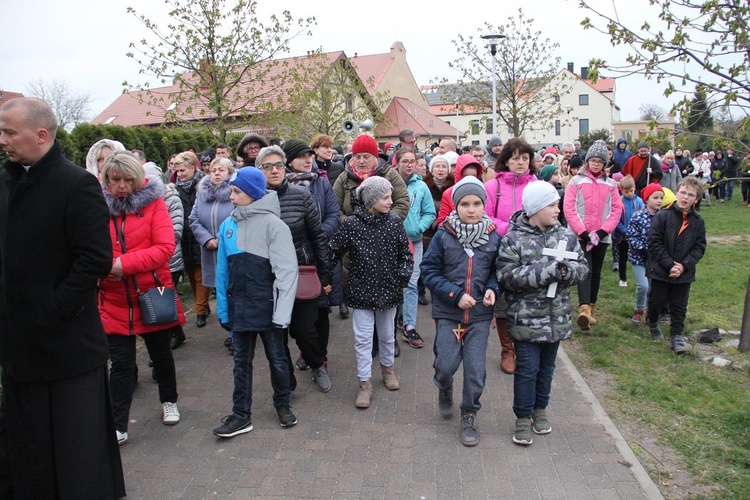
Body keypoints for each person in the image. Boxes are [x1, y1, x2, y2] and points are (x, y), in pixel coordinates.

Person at [0, 97, 125, 499]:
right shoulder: (6, 182)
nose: (1, 140)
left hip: (65, 346)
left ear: (40, 135)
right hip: (19, 347)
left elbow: (94, 259)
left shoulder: (76, 184)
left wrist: (52, 311)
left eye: (8, 132)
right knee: (29, 452)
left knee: (76, 457)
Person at [98, 151, 186, 447]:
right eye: (115, 180)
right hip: (113, 299)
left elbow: (164, 247)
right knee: (121, 364)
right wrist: (103, 270)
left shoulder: (154, 204)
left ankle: (169, 400)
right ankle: (118, 423)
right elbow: (88, 248)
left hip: (151, 295)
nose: (121, 185)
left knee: (160, 354)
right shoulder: (97, 208)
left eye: (127, 179)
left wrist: (120, 265)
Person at [496, 181, 588, 446]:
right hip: (526, 319)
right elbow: (506, 276)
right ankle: (522, 418)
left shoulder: (566, 237)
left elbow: (581, 267)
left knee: (547, 369)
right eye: (552, 205)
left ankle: (540, 410)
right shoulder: (514, 239)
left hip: (555, 318)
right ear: (535, 208)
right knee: (527, 369)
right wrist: (546, 273)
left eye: (558, 204)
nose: (558, 210)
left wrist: (568, 272)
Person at [214, 167, 299, 436]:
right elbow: (222, 273)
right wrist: (224, 311)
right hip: (240, 308)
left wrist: (281, 315)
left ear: (252, 193)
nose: (231, 194)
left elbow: (286, 273)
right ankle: (241, 415)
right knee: (241, 362)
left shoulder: (274, 225)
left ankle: (283, 403)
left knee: (277, 358)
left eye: (237, 191)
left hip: (268, 308)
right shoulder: (228, 225)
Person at [420, 176, 501, 447]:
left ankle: (469, 413)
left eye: (477, 203)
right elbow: (428, 272)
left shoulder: (492, 236)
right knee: (445, 364)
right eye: (465, 203)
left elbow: (495, 273)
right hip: (449, 313)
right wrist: (455, 295)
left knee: (476, 370)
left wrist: (492, 290)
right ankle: (444, 386)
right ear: (456, 206)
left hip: (479, 316)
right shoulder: (444, 235)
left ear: (483, 205)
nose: (471, 209)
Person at [329, 176, 413, 409]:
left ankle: (388, 370)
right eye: (385, 197)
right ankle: (364, 383)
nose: (390, 201)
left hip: (389, 290)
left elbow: (405, 254)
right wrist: (330, 278)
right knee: (363, 339)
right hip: (361, 292)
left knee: (387, 335)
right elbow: (333, 250)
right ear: (371, 200)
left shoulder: (394, 223)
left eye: (390, 196)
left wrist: (402, 276)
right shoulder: (352, 225)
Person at [260, 145, 333, 394]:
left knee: (304, 329)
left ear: (285, 167)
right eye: (267, 166)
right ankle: (286, 383)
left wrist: (324, 273)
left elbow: (318, 237)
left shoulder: (301, 196)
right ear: (259, 170)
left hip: (302, 272)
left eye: (278, 165)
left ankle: (317, 363)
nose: (274, 170)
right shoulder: (253, 199)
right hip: (268, 277)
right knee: (277, 334)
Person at [281, 139, 341, 372]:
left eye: (309, 155)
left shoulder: (321, 183)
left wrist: (317, 235)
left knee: (321, 309)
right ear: (288, 160)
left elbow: (333, 214)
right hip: (293, 256)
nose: (308, 160)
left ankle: (320, 356)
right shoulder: (279, 188)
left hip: (320, 252)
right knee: (299, 314)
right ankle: (308, 349)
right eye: (301, 156)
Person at [484, 138, 537, 374]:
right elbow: (484, 219)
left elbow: (546, 215)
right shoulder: (492, 187)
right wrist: (510, 227)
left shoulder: (537, 186)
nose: (521, 162)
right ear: (505, 160)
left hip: (530, 252)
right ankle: (507, 349)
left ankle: (523, 347)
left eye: (525, 158)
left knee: (527, 299)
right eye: (515, 158)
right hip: (502, 251)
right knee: (504, 301)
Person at [563, 140, 622, 331]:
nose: (596, 164)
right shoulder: (576, 181)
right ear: (587, 161)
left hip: (602, 235)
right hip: (581, 235)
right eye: (593, 160)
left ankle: (592, 307)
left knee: (596, 271)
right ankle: (584, 308)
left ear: (605, 164)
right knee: (584, 270)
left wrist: (604, 231)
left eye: (600, 161)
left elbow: (615, 210)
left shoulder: (611, 184)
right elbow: (569, 208)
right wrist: (583, 232)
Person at [646, 177, 707, 353]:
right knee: (656, 301)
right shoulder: (663, 216)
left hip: (684, 273)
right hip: (660, 270)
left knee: (679, 305)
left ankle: (677, 335)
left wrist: (684, 265)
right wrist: (669, 264)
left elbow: (699, 246)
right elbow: (654, 242)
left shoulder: (698, 222)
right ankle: (653, 321)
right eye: (682, 192)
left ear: (696, 199)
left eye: (690, 195)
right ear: (676, 193)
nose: (685, 197)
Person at [189, 157, 236, 350]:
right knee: (220, 291)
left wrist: (223, 239)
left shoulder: (236, 192)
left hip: (232, 250)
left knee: (233, 289)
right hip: (210, 253)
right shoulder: (202, 194)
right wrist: (207, 239)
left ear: (230, 173)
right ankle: (229, 323)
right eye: (214, 170)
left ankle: (235, 332)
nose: (216, 173)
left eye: (221, 170)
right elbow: (193, 219)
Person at [394, 147, 436, 349]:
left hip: (415, 241)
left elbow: (429, 212)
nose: (409, 164)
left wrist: (418, 227)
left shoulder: (422, 187)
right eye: (405, 161)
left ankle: (409, 326)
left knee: (411, 283)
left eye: (412, 161)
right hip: (392, 243)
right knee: (394, 283)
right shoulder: (390, 183)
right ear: (397, 162)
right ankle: (395, 320)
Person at [174, 151, 211, 327]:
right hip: (184, 237)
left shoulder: (204, 184)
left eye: (182, 170)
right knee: (191, 274)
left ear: (191, 167)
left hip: (200, 233)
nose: (179, 174)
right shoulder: (175, 188)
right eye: (177, 171)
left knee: (200, 275)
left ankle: (200, 311)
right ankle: (202, 305)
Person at [626, 183, 664, 326]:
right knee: (643, 285)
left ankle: (651, 312)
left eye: (661, 198)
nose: (659, 201)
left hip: (657, 259)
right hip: (639, 258)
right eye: (655, 197)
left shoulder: (663, 217)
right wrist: (642, 249)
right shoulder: (638, 216)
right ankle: (639, 309)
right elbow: (631, 236)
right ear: (647, 199)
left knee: (654, 288)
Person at [420, 155, 455, 305]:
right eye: (437, 166)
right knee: (424, 262)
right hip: (427, 232)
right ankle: (421, 290)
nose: (440, 170)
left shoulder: (454, 186)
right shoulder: (424, 185)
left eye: (443, 167)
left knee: (442, 264)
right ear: (431, 169)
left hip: (446, 233)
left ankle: (440, 291)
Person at [612, 175, 644, 288]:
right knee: (623, 257)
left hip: (636, 236)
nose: (629, 193)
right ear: (621, 190)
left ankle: (641, 277)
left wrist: (637, 231)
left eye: (631, 191)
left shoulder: (639, 202)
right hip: (623, 236)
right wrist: (625, 231)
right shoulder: (619, 202)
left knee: (638, 257)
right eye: (626, 192)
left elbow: (642, 217)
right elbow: (616, 220)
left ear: (634, 188)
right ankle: (623, 278)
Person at [436, 154, 484, 226]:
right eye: (466, 176)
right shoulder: (449, 193)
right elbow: (441, 221)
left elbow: (488, 215)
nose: (469, 179)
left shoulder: (482, 192)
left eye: (474, 176)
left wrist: (488, 225)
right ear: (459, 175)